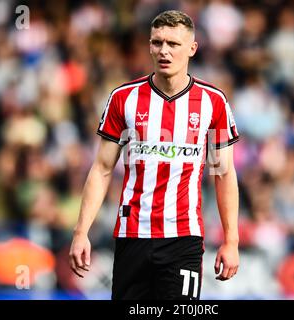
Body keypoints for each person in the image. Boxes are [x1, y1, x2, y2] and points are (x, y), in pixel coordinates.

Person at [69, 10, 240, 300]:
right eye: (157, 42)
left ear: (192, 49)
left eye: (173, 44)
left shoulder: (213, 103)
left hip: (183, 237)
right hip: (132, 234)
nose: (164, 51)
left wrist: (231, 241)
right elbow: (101, 168)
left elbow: (222, 173)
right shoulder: (124, 98)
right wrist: (80, 231)